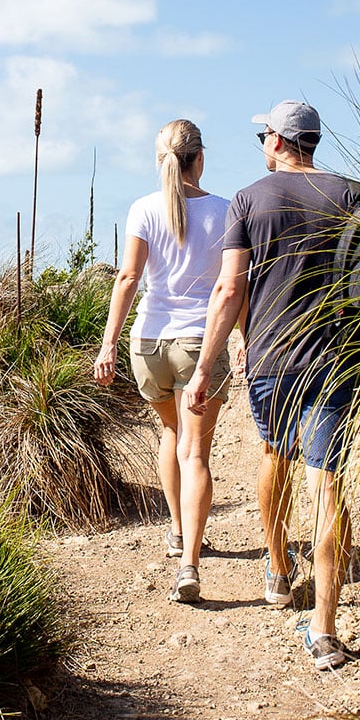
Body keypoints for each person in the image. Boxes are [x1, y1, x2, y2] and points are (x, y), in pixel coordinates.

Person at [184, 99, 360, 670]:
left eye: (265, 133)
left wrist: (205, 364)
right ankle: (325, 631)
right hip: (336, 359)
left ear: (280, 142)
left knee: (275, 455)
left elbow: (230, 290)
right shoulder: (353, 196)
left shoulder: (249, 200)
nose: (262, 141)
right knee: (327, 483)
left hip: (272, 361)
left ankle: (280, 572)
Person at [94, 119, 232, 605]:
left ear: (161, 162)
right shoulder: (225, 210)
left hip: (148, 342)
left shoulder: (142, 209)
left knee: (170, 434)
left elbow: (128, 276)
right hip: (199, 342)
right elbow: (233, 286)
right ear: (200, 157)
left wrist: (108, 343)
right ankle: (189, 564)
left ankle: (177, 531)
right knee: (195, 452)